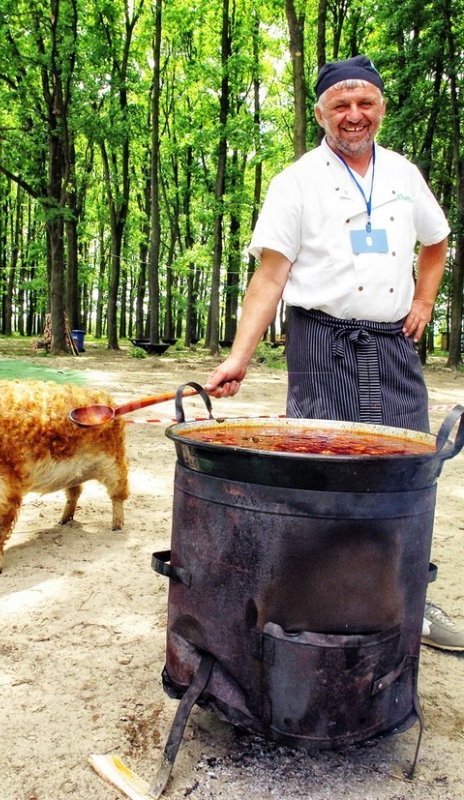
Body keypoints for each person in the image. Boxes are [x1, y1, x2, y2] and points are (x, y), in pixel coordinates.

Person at [205, 55, 463, 651]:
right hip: (322, 342)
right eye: (340, 105)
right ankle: (317, 595)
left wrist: (425, 298)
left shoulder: (403, 174)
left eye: (365, 103)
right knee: (321, 474)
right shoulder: (295, 182)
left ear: (381, 108)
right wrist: (239, 357)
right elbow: (269, 279)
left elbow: (438, 238)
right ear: (320, 112)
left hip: (395, 346)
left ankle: (409, 600)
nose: (353, 116)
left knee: (406, 474)